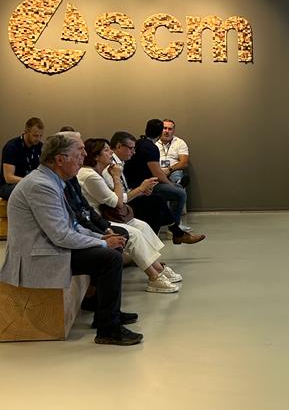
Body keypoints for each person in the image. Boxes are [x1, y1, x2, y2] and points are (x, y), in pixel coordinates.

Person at [0, 133, 142, 345]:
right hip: (37, 257)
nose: (83, 157)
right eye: (79, 153)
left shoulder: (52, 181)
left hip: (49, 247)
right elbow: (62, 235)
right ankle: (108, 329)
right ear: (59, 159)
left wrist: (101, 236)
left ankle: (103, 312)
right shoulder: (41, 185)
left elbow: (71, 226)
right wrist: (103, 242)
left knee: (114, 246)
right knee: (110, 257)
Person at [78, 138, 183, 293]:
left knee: (142, 225)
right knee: (134, 233)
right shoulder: (90, 175)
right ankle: (154, 277)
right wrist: (118, 178)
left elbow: (119, 197)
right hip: (98, 220)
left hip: (105, 215)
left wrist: (137, 188)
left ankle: (158, 267)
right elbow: (118, 202)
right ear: (96, 156)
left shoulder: (100, 172)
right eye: (106, 150)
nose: (111, 152)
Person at [108, 132, 202, 244]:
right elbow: (119, 199)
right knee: (162, 200)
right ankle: (173, 234)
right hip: (118, 208)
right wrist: (140, 189)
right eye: (131, 148)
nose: (133, 152)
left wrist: (142, 190)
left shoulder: (121, 163)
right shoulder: (111, 167)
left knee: (158, 200)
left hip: (131, 194)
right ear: (119, 146)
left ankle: (170, 236)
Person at [1, 117, 45, 200]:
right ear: (25, 132)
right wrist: (31, 181)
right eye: (35, 136)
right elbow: (9, 178)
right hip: (9, 186)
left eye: (41, 136)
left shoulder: (39, 146)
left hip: (31, 182)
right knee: (33, 190)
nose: (38, 139)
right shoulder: (12, 147)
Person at [159, 119, 191, 229]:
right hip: (157, 170)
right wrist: (160, 171)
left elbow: (184, 162)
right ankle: (178, 185)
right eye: (164, 128)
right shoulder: (154, 142)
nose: (167, 131)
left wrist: (169, 169)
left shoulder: (180, 143)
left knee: (176, 173)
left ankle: (178, 183)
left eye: (170, 129)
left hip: (173, 170)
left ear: (173, 131)